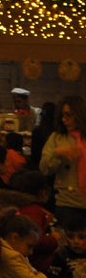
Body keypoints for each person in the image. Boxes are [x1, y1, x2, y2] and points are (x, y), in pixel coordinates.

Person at [39, 95, 86, 230]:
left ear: (80, 114)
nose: (64, 120)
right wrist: (58, 154)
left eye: (68, 115)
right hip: (67, 203)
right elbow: (44, 169)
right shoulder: (57, 138)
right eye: (62, 115)